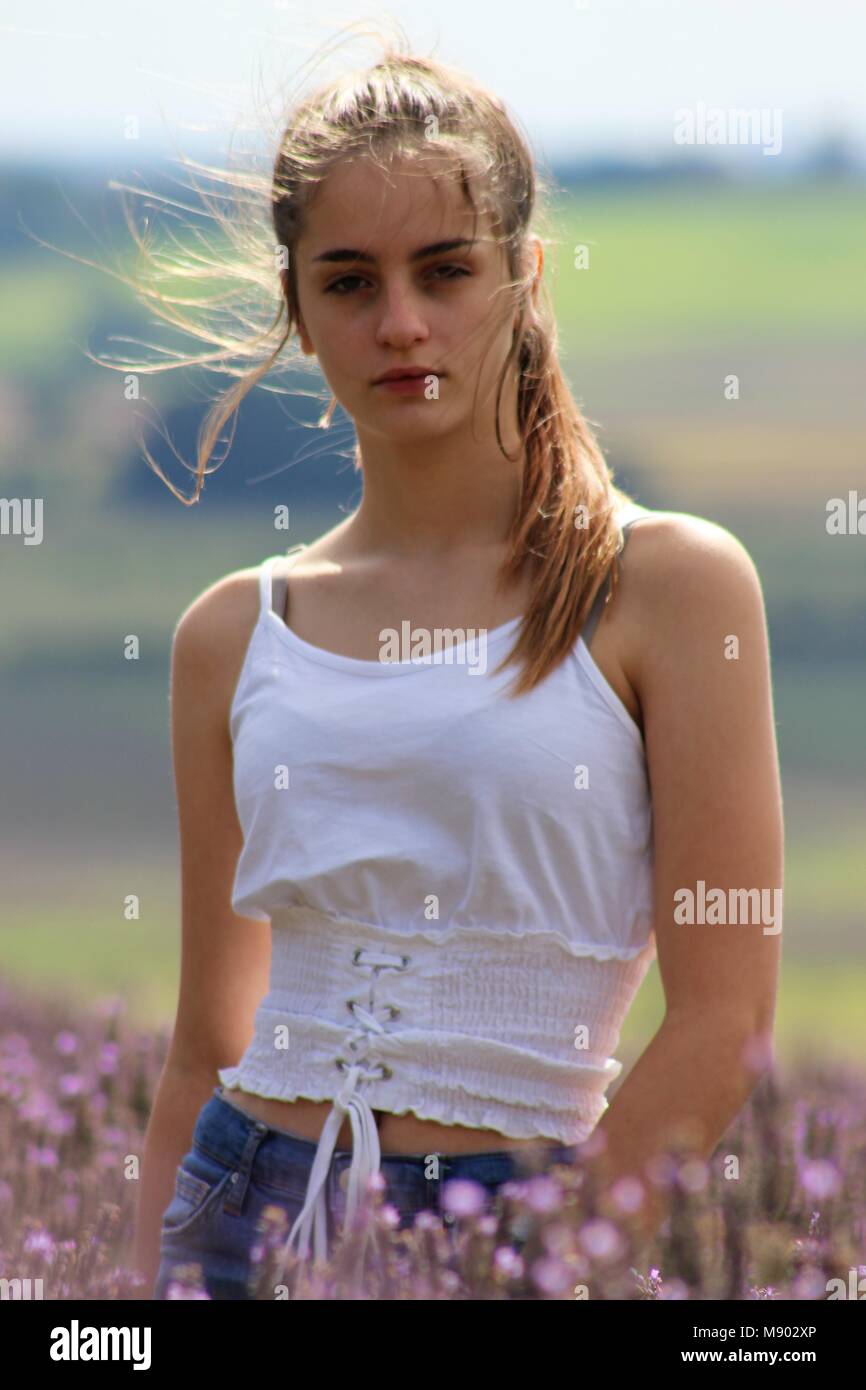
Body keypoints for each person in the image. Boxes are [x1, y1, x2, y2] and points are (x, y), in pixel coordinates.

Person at [123, 38, 782, 1300]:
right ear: (298, 312)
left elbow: (722, 1024)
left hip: (504, 1225)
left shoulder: (668, 586)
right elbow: (205, 1042)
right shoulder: (230, 631)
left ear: (525, 277)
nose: (401, 321)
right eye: (349, 281)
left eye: (445, 269)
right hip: (238, 1204)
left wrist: (546, 1255)